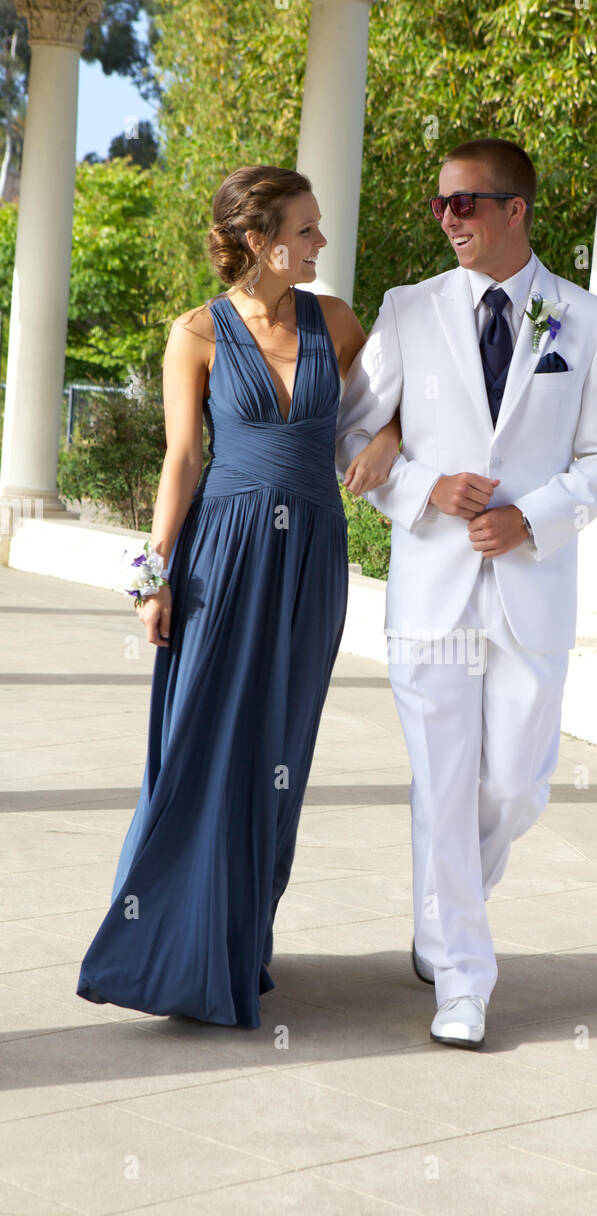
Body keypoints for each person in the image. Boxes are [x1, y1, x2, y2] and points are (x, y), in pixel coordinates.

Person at [77, 165, 399, 1028]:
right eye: (308, 228)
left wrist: (394, 438)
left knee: (277, 753)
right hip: (221, 556)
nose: (321, 243)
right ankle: (164, 950)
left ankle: (236, 941)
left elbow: (385, 410)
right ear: (259, 241)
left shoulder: (336, 321)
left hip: (312, 561)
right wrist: (152, 579)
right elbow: (182, 459)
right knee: (198, 744)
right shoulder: (197, 334)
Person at [335, 138, 597, 1049]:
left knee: (514, 786)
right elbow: (349, 436)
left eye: (466, 204)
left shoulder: (587, 321)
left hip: (530, 588)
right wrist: (424, 482)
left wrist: (532, 516)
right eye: (440, 206)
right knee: (440, 784)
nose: (448, 220)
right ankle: (462, 979)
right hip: (432, 586)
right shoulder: (408, 309)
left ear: (517, 210)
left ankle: (444, 903)